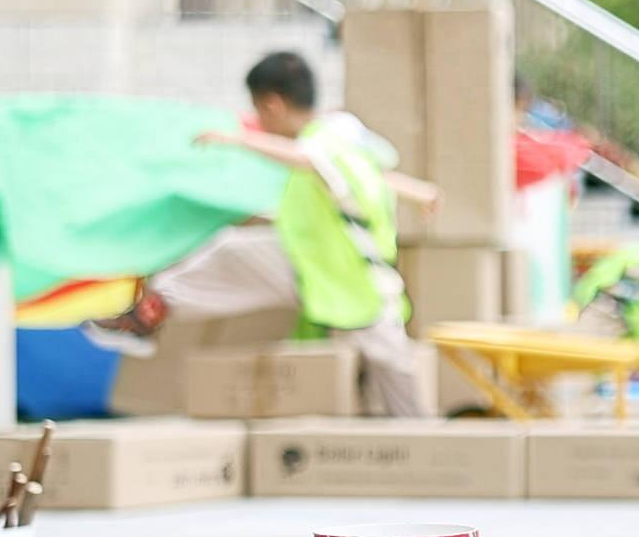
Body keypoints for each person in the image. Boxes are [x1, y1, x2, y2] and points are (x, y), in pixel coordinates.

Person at [89, 51, 436, 417]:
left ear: (271, 105)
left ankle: (425, 440)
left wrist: (238, 140)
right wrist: (418, 191)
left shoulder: (323, 144)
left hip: (354, 284)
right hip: (313, 266)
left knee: (393, 376)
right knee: (232, 252)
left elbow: (312, 161)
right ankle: (148, 314)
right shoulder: (344, 132)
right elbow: (366, 171)